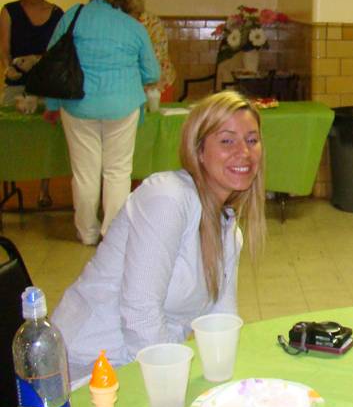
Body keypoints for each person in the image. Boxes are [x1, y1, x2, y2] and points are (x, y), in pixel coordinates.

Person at [51, 91, 267, 381]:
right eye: (227, 141)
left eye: (252, 140)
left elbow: (221, 318)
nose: (244, 152)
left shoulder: (228, 229)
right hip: (86, 367)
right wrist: (170, 381)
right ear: (199, 151)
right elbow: (140, 313)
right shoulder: (167, 198)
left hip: (147, 361)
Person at [45, 0, 160, 245]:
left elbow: (52, 61)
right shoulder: (133, 27)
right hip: (122, 106)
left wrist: (52, 104)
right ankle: (113, 234)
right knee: (117, 172)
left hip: (77, 104)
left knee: (84, 173)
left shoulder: (74, 16)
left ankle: (87, 232)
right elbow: (152, 73)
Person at [0, 0, 64, 208]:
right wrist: (8, 67)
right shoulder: (10, 11)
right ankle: (10, 183)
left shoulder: (57, 14)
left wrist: (37, 59)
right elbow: (4, 47)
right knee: (10, 133)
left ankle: (43, 190)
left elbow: (60, 50)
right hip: (17, 81)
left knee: (45, 137)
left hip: (46, 83)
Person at [132, 0, 176, 102]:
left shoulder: (150, 22)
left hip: (158, 82)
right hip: (143, 81)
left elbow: (156, 56)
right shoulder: (129, 22)